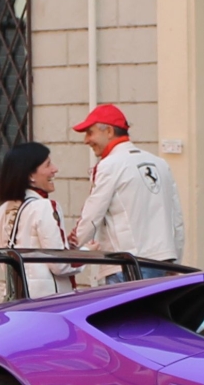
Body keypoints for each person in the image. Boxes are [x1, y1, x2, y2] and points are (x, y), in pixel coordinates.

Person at [68, 105, 185, 281]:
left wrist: (71, 249)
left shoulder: (109, 165)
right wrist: (175, 261)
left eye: (90, 132)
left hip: (127, 265)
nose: (86, 140)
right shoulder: (160, 163)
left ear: (108, 131)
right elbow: (177, 220)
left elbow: (92, 215)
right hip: (162, 261)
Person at [0, 142, 72, 298]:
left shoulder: (3, 210)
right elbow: (61, 264)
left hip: (16, 297)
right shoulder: (45, 206)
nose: (55, 169)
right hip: (48, 299)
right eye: (48, 164)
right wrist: (87, 251)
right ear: (30, 175)